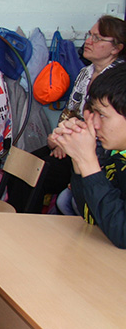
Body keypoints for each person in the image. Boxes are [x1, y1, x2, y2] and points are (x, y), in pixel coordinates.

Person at [49, 65, 126, 248]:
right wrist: (78, 157)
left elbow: (122, 233)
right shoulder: (117, 156)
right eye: (93, 113)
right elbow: (91, 215)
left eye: (103, 115)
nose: (95, 124)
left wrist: (88, 161)